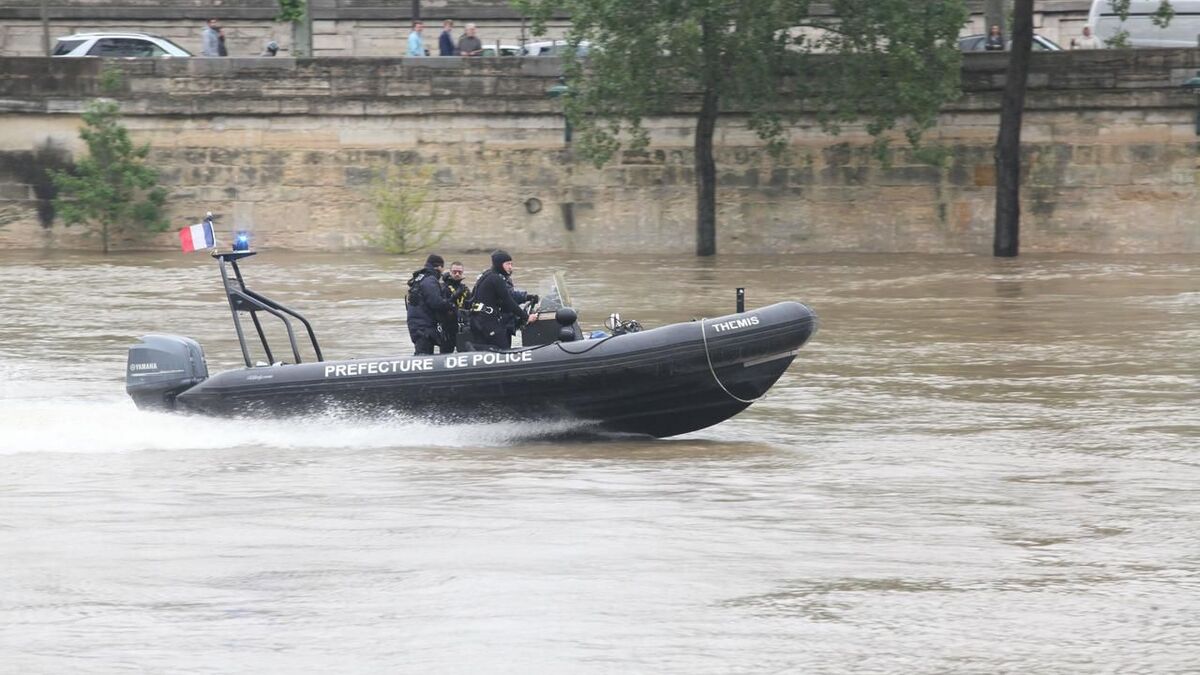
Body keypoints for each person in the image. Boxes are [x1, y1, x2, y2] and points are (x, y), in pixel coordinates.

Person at [468, 250, 539, 350]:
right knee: (503, 348)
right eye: (507, 264)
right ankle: (474, 348)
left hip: (478, 319)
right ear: (499, 264)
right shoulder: (496, 279)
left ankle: (477, 349)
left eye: (511, 264)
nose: (510, 267)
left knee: (494, 347)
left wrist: (526, 298)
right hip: (486, 321)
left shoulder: (487, 276)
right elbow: (508, 301)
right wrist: (526, 317)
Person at [406, 254, 453, 355]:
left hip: (416, 324)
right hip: (424, 327)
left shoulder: (419, 279)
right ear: (439, 267)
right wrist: (450, 305)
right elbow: (436, 303)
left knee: (423, 354)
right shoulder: (430, 280)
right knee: (423, 356)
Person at [439, 261, 472, 352]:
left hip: (462, 328)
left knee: (464, 354)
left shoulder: (465, 289)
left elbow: (470, 307)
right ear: (450, 272)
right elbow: (440, 305)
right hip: (447, 327)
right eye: (454, 272)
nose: (457, 274)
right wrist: (454, 296)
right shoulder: (443, 288)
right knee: (445, 354)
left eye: (460, 272)